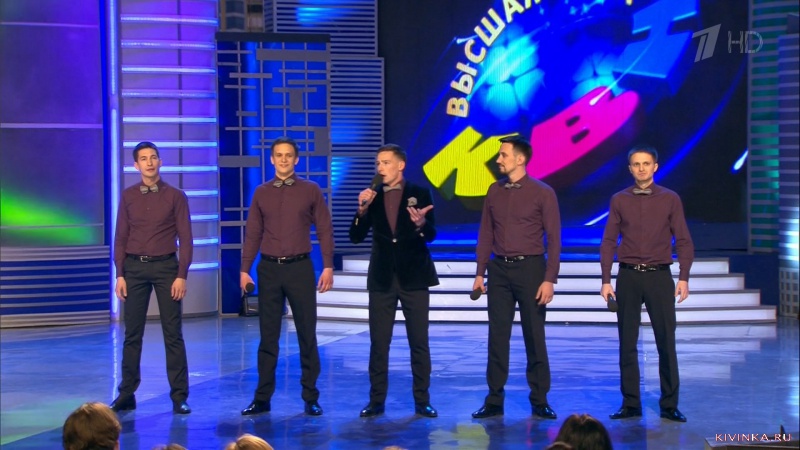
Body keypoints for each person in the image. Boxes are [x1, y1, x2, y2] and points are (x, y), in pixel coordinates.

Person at [240, 136, 334, 416]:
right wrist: (244, 269)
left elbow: (325, 229)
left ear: (296, 159)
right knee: (268, 337)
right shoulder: (261, 192)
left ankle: (310, 397)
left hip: (299, 268)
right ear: (272, 159)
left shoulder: (310, 190)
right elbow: (253, 233)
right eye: (279, 155)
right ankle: (262, 398)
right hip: (269, 269)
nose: (283, 159)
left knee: (307, 334)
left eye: (288, 155)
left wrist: (328, 265)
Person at [600, 145, 693, 423]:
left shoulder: (670, 199)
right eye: (636, 164)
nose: (641, 168)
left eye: (646, 163)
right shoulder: (619, 199)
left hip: (658, 276)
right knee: (627, 342)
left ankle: (669, 404)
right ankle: (630, 404)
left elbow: (683, 240)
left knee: (666, 341)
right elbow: (608, 241)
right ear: (630, 169)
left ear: (655, 167)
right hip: (628, 276)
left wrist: (684, 276)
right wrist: (606, 280)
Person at [471, 134, 561, 420]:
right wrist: (480, 272)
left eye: (503, 155)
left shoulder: (543, 192)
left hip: (531, 270)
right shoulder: (494, 191)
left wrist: (549, 278)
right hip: (499, 270)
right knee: (497, 336)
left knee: (534, 336)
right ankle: (494, 399)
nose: (498, 160)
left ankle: (540, 399)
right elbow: (486, 233)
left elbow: (554, 239)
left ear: (520, 159)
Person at [349, 143, 439, 418]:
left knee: (419, 342)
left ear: (400, 165)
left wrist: (421, 224)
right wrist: (361, 212)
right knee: (379, 343)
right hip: (382, 278)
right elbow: (355, 237)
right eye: (378, 163)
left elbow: (431, 234)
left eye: (386, 162)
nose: (380, 168)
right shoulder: (372, 197)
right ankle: (376, 401)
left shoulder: (420, 192)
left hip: (414, 276)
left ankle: (422, 400)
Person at [112, 141, 193, 415]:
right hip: (134, 269)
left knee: (173, 333)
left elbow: (186, 238)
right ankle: (126, 393)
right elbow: (121, 237)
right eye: (144, 159)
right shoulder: (128, 196)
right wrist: (120, 274)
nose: (149, 162)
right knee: (132, 334)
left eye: (153, 157)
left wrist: (181, 275)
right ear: (136, 165)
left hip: (166, 268)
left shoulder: (176, 196)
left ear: (160, 162)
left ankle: (179, 396)